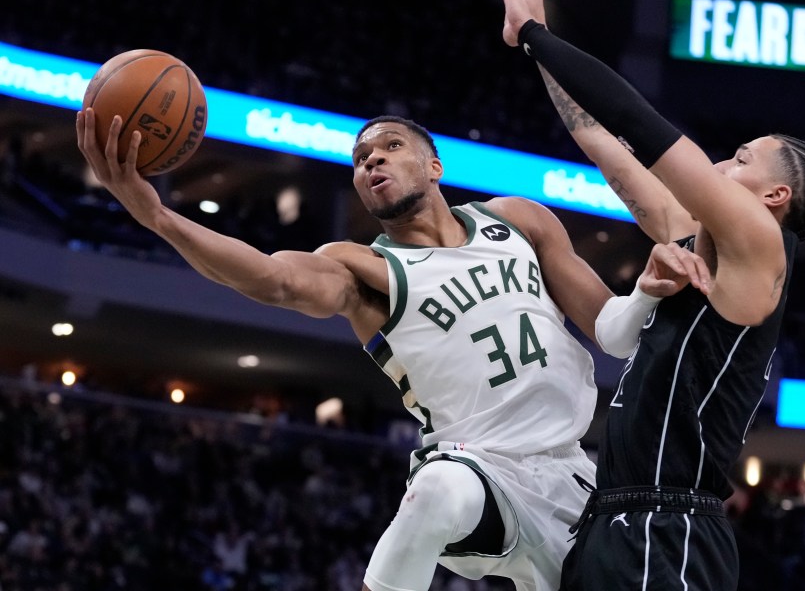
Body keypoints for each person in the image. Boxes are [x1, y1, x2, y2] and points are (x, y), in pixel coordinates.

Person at [75, 108, 710, 591]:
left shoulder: (521, 221)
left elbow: (613, 332)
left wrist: (647, 292)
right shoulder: (363, 270)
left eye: (390, 147)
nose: (371, 161)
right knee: (437, 491)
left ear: (434, 167)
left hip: (576, 477)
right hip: (479, 469)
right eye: (359, 158)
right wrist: (158, 217)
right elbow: (270, 277)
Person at [501, 0, 805, 589]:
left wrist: (533, 34)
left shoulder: (764, 246)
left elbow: (636, 121)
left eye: (740, 159)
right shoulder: (687, 237)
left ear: (773, 198)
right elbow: (602, 138)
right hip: (612, 518)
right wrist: (536, 38)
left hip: (670, 524)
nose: (718, 164)